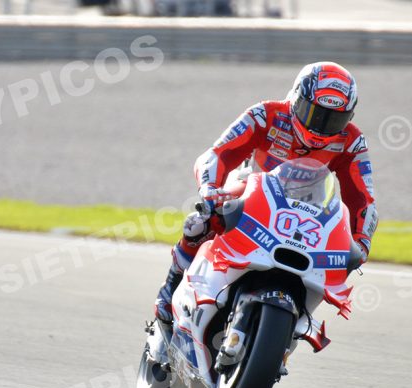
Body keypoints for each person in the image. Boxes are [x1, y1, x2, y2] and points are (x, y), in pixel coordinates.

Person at [152, 61, 377, 328]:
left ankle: (289, 330)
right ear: (296, 99)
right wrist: (210, 190)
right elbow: (217, 154)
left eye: (333, 119)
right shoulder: (265, 114)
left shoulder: (351, 141)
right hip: (253, 191)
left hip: (309, 210)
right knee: (198, 222)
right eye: (314, 113)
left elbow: (363, 198)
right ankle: (170, 288)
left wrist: (361, 241)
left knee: (335, 259)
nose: (321, 126)